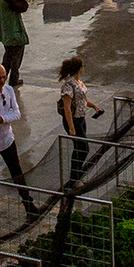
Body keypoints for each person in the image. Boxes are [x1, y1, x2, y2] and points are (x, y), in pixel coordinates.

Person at [0, 63, 39, 217]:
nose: (2, 80)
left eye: (4, 77)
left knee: (17, 172)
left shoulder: (9, 90)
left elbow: (17, 114)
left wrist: (4, 118)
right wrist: (7, 117)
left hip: (7, 140)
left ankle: (29, 205)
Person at [58, 56, 102, 185]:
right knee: (82, 148)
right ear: (79, 68)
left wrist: (94, 106)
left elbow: (81, 100)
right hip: (74, 120)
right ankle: (74, 178)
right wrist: (71, 127)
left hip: (81, 119)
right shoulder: (69, 85)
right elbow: (67, 106)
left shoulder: (78, 82)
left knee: (80, 148)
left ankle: (76, 176)